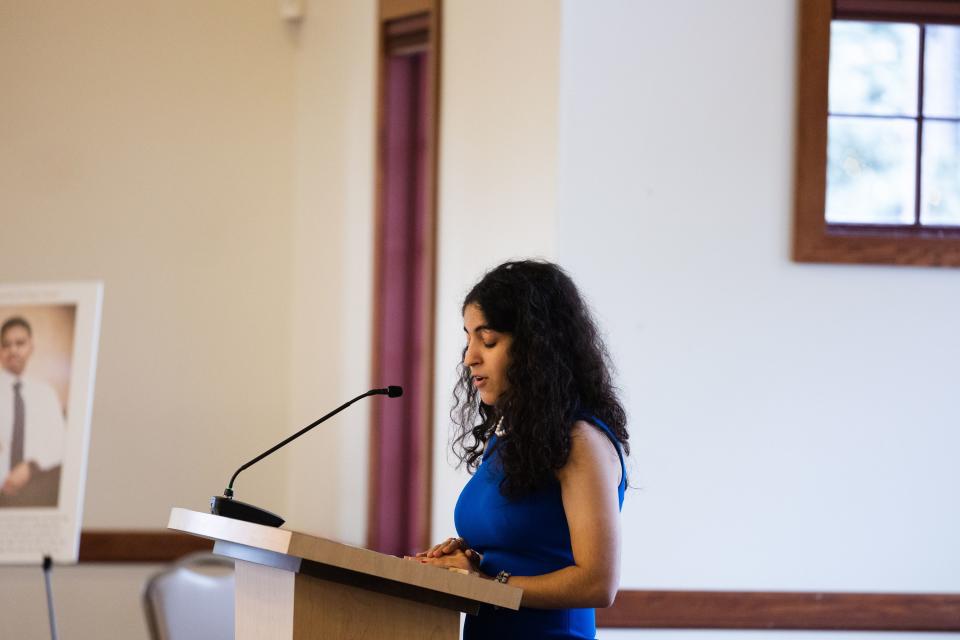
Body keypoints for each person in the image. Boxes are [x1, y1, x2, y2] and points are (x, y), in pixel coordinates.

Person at [413, 260, 629, 639]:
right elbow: (527, 547)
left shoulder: (580, 441)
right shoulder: (510, 438)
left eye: (488, 340)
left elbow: (598, 583)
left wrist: (486, 581)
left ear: (535, 346)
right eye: (468, 339)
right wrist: (463, 560)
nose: (469, 357)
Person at [0, 316, 65, 506]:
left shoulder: (46, 393)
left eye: (20, 343)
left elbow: (61, 442)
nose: (13, 350)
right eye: (6, 344)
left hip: (35, 489)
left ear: (31, 347)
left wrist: (30, 468)